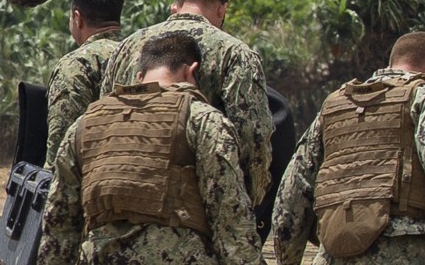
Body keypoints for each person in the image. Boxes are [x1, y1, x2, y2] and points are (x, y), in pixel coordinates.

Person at [270, 31, 425, 265]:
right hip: (409, 249)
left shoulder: (333, 106)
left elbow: (291, 194)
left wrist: (287, 260)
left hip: (332, 253)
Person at [38, 32, 260, 265]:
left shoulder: (84, 125)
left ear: (139, 76)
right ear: (191, 72)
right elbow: (231, 221)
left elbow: (58, 229)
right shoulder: (203, 120)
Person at [102, 0, 275, 207]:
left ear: (178, 2)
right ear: (222, 9)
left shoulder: (127, 47)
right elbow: (252, 134)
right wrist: (248, 200)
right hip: (192, 204)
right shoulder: (235, 53)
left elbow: (103, 114)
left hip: (121, 189)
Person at [45, 0, 125, 165]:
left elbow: (60, 148)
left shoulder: (76, 64)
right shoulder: (142, 54)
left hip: (92, 183)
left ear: (77, 18)